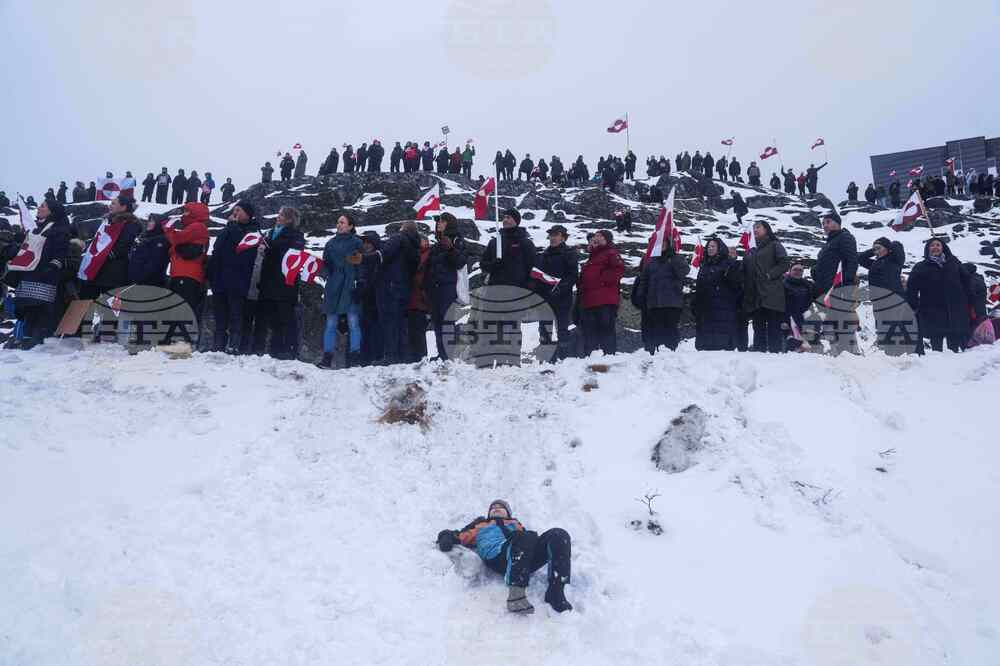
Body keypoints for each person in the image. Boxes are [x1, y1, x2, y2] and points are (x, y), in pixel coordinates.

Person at [436, 500, 572, 615]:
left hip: (523, 557)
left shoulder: (516, 525)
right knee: (523, 536)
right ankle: (516, 592)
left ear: (508, 512)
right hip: (498, 557)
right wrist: (445, 537)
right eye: (492, 508)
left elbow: (530, 541)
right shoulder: (480, 526)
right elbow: (456, 536)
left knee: (558, 534)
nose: (496, 509)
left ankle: (556, 591)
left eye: (500, 507)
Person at [0, 200, 71, 347]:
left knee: (39, 306)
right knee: (26, 306)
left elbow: (61, 253)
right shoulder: (38, 228)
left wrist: (52, 267)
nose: (39, 208)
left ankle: (37, 337)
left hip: (44, 274)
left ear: (52, 211)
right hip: (29, 271)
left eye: (43, 206)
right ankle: (25, 336)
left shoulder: (60, 229)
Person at [249, 206, 306, 359]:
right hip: (268, 282)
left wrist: (270, 248)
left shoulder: (296, 236)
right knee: (267, 319)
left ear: (289, 219)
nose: (278, 217)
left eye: (281, 215)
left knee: (284, 319)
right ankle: (265, 350)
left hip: (285, 285)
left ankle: (286, 351)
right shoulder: (270, 235)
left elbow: (290, 255)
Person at [208, 201, 261, 353]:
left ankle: (234, 345)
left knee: (236, 315)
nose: (235, 212)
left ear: (248, 214)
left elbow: (241, 245)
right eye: (235, 209)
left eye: (239, 210)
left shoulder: (253, 230)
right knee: (220, 316)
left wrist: (232, 226)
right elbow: (217, 248)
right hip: (221, 278)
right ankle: (218, 345)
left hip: (238, 280)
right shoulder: (228, 228)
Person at [906, 238, 972, 353]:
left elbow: (966, 280)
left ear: (943, 248)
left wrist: (965, 299)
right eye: (932, 245)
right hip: (932, 310)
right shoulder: (921, 267)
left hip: (954, 310)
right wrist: (914, 305)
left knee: (954, 345)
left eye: (938, 245)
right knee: (936, 344)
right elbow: (912, 288)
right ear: (928, 249)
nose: (935, 247)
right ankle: (938, 367)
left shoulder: (953, 262)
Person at [78, 194, 142, 302]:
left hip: (113, 272)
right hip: (96, 269)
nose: (110, 206)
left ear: (123, 207)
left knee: (109, 307)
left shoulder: (130, 224)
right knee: (85, 300)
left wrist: (106, 255)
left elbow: (123, 245)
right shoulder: (107, 222)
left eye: (113, 203)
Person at [424, 213, 468, 361]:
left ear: (449, 223)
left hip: (448, 287)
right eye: (438, 221)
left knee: (447, 321)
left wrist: (450, 249)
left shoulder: (457, 240)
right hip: (434, 288)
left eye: (442, 221)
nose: (439, 223)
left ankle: (449, 354)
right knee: (437, 321)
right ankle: (442, 353)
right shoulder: (436, 244)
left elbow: (460, 262)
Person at [632, 242, 690, 352]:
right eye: (660, 243)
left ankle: (671, 353)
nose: (661, 245)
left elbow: (684, 271)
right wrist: (641, 295)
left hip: (672, 302)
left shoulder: (676, 258)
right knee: (655, 330)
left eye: (664, 243)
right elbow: (644, 280)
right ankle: (657, 355)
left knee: (670, 330)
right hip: (655, 302)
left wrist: (673, 258)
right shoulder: (652, 261)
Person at [742, 221, 790, 353]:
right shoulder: (753, 250)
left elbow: (785, 263)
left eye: (758, 227)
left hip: (772, 294)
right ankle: (759, 354)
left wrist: (770, 275)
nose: (755, 230)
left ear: (766, 229)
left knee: (774, 327)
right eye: (754, 228)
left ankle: (775, 355)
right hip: (757, 295)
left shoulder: (775, 245)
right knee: (758, 327)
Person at [534, 225, 579, 361]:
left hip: (562, 299)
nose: (553, 237)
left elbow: (572, 276)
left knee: (562, 329)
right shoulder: (544, 254)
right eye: (551, 235)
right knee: (544, 329)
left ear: (563, 237)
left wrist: (560, 288)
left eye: (556, 234)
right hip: (545, 299)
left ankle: (565, 359)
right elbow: (539, 276)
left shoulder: (569, 253)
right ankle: (547, 358)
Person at [379, 221, 421, 364]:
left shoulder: (398, 238)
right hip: (405, 287)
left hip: (391, 285)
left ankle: (390, 355)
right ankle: (403, 355)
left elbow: (384, 254)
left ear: (403, 228)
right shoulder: (415, 245)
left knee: (390, 321)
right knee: (402, 323)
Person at [578, 230, 624, 355]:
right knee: (590, 330)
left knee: (606, 329)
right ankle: (590, 357)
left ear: (607, 239)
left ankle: (609, 357)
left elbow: (618, 270)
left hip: (605, 299)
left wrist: (601, 280)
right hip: (589, 300)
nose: (596, 238)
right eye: (595, 236)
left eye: (600, 236)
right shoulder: (592, 257)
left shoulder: (611, 253)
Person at [693, 237, 743, 351]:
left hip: (723, 309)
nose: (710, 249)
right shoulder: (704, 266)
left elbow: (736, 284)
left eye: (713, 246)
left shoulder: (728, 264)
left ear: (720, 248)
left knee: (721, 348)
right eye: (708, 246)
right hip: (706, 309)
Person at [162, 201, 210, 318]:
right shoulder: (194, 227)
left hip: (186, 274)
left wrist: (166, 227)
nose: (184, 214)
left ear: (195, 213)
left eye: (187, 211)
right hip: (184, 274)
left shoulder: (197, 226)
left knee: (180, 312)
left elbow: (176, 238)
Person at [480, 208, 537, 288]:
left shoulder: (526, 243)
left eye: (508, 217)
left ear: (516, 221)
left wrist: (529, 286)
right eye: (504, 217)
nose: (505, 220)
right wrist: (493, 265)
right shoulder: (494, 242)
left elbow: (533, 267)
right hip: (496, 288)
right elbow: (483, 264)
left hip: (518, 290)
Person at [812, 214, 858, 296]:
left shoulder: (845, 237)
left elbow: (852, 260)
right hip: (824, 288)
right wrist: (815, 271)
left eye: (828, 222)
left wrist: (847, 284)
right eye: (823, 223)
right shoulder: (830, 242)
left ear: (838, 223)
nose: (825, 225)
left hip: (837, 289)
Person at [356, 231, 383, 365]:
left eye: (368, 242)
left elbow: (375, 279)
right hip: (363, 300)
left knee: (375, 330)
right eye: (364, 242)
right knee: (363, 329)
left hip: (376, 300)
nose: (366, 245)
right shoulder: (361, 259)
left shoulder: (379, 258)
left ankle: (376, 357)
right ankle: (365, 359)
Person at [406, 235, 432, 361]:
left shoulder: (428, 255)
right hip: (413, 298)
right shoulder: (415, 255)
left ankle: (421, 356)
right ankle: (415, 356)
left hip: (421, 298)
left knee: (419, 331)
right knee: (412, 330)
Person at [127, 216, 170, 287]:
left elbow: (155, 263)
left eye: (152, 221)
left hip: (149, 282)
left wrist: (139, 278)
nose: (148, 223)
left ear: (159, 224)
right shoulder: (146, 238)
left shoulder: (161, 240)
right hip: (136, 281)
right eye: (149, 221)